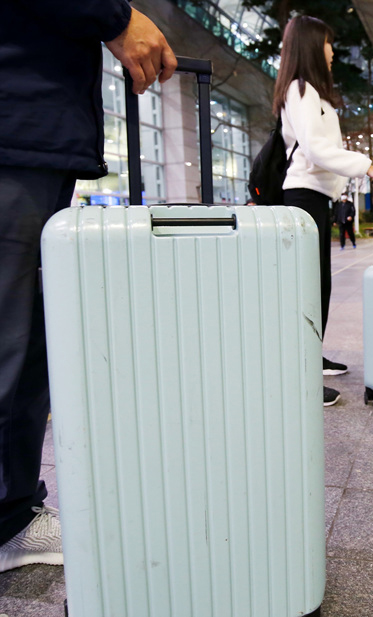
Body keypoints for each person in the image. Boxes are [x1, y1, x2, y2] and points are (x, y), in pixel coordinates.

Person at [0, 1, 176, 573]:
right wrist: (113, 16)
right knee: (8, 349)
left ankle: (11, 517)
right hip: (15, 120)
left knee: (25, 352)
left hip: (32, 129)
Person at [275, 15, 373, 405]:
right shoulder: (300, 89)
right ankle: (300, 371)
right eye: (326, 44)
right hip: (303, 197)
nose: (331, 52)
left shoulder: (313, 93)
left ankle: (312, 354)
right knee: (308, 287)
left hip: (317, 198)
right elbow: (316, 150)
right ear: (311, 45)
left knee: (318, 285)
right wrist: (368, 166)